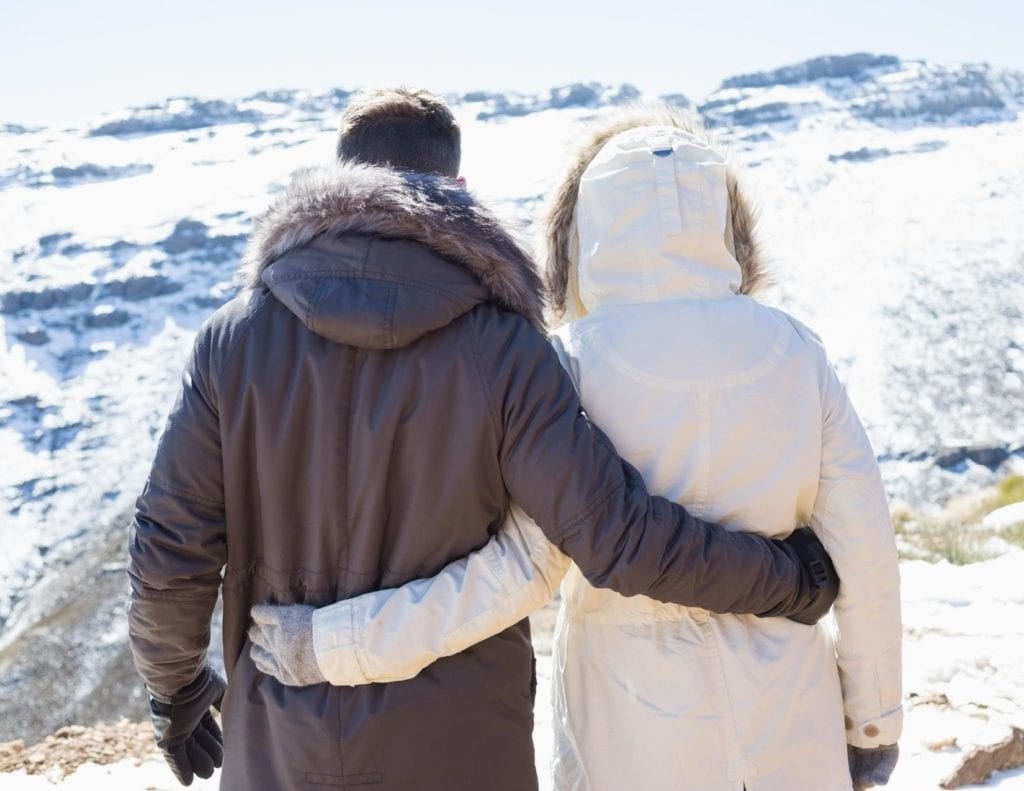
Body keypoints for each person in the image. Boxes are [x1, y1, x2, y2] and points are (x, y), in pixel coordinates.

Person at [127, 88, 839, 791]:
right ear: (456, 189)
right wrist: (786, 579)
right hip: (462, 749)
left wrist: (174, 686)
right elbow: (615, 534)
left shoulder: (233, 340)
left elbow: (171, 546)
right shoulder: (503, 345)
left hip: (281, 745)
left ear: (334, 182)